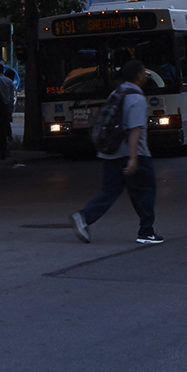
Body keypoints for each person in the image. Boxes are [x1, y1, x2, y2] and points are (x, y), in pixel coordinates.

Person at [69, 60, 161, 246]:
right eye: (143, 71)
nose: (145, 74)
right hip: (134, 153)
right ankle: (146, 231)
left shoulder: (117, 92)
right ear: (137, 75)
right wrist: (134, 159)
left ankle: (84, 217)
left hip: (110, 151)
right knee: (145, 190)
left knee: (110, 190)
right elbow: (135, 130)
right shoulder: (136, 98)